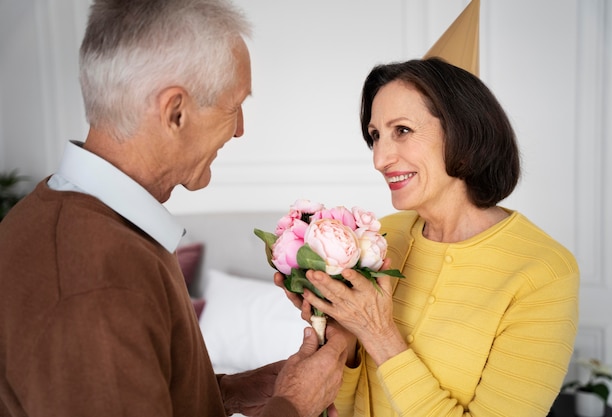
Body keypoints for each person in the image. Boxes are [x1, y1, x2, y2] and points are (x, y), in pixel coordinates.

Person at [0, 1, 349, 416]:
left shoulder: (69, 221)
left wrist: (231, 390)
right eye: (233, 105)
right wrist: (295, 405)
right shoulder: (97, 280)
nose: (239, 129)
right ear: (175, 112)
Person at [276, 57, 579, 416]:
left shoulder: (544, 271)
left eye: (401, 130)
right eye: (375, 136)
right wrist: (340, 331)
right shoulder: (381, 236)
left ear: (462, 130)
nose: (379, 159)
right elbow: (343, 407)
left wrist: (377, 332)